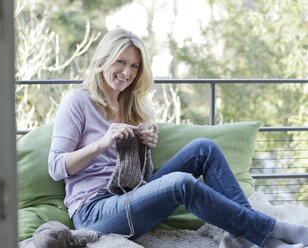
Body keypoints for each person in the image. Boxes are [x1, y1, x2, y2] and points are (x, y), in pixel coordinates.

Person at [48, 28, 308, 248]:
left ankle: (247, 235)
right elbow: (56, 167)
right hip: (94, 212)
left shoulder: (129, 107)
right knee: (180, 183)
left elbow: (135, 178)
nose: (126, 73)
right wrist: (102, 143)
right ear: (104, 59)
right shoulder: (77, 101)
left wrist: (145, 148)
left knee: (203, 149)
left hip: (131, 197)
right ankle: (274, 231)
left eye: (134, 66)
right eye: (120, 62)